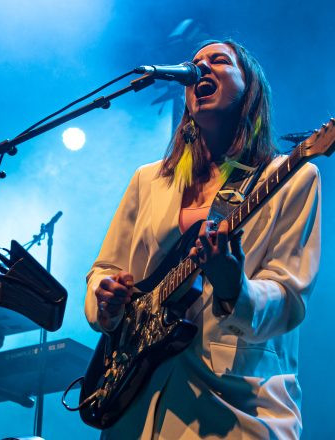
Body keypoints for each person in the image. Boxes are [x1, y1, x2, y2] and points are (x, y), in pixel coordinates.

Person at [85, 40, 321, 439]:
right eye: (194, 64)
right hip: (136, 407)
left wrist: (235, 287)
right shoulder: (149, 179)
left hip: (236, 408)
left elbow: (290, 295)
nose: (201, 68)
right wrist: (105, 298)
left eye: (219, 61)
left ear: (250, 89)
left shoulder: (290, 177)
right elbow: (106, 268)